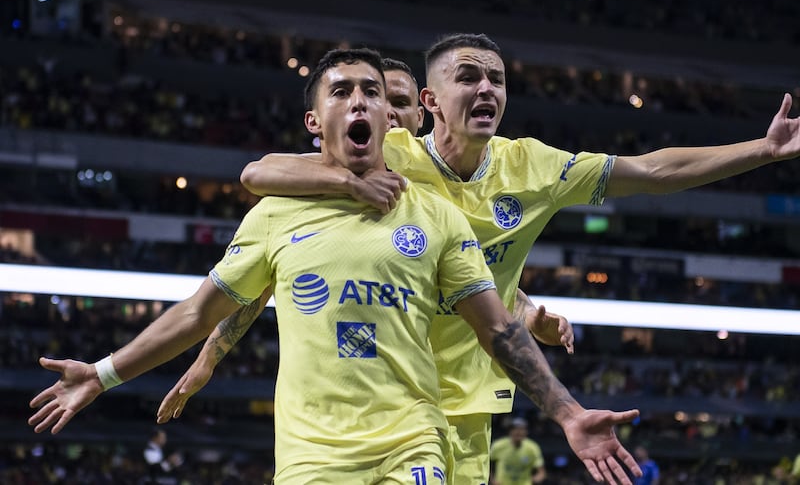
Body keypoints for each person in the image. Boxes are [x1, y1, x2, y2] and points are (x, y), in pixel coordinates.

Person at [28, 48, 641, 485]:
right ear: (314, 123)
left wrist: (567, 412)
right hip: (312, 455)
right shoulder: (275, 214)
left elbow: (497, 326)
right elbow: (197, 313)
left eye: (373, 92)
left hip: (412, 441)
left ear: (391, 118)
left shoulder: (435, 215)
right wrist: (104, 374)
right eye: (342, 91)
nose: (362, 101)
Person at [227, 33, 800, 483]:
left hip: (470, 403)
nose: (487, 90)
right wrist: (351, 187)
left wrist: (764, 149)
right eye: (469, 77)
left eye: (497, 80)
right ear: (428, 102)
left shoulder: (535, 167)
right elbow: (264, 172)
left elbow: (651, 171)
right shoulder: (388, 151)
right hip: (387, 396)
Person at [489, 417, 545, 485]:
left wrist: (533, 480)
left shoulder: (533, 448)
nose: (518, 432)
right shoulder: (498, 445)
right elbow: (487, 465)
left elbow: (541, 472)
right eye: (515, 429)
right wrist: (492, 480)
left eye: (522, 429)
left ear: (526, 432)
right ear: (510, 431)